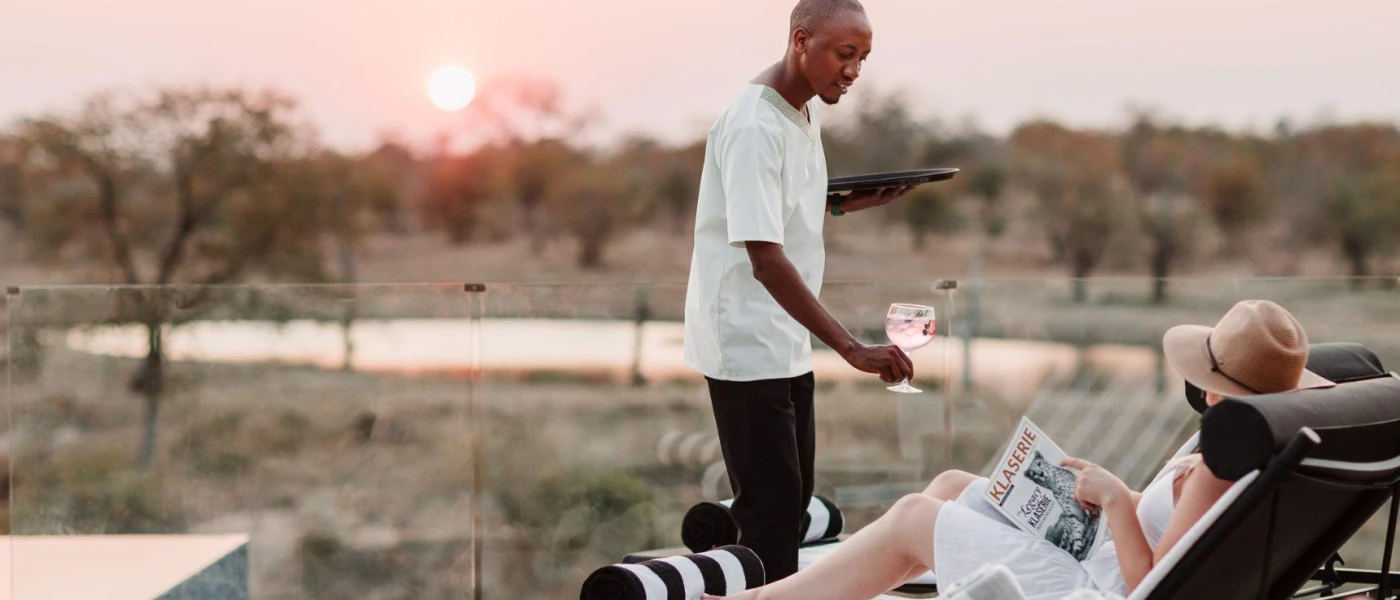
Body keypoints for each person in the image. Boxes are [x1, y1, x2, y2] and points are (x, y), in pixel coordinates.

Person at [704, 299, 1333, 600]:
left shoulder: (1226, 461)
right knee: (952, 484)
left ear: (1218, 384)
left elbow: (1154, 583)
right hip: (1103, 554)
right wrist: (1105, 492)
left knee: (912, 519)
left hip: (1098, 588)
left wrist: (1115, 498)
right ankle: (842, 586)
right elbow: (1180, 531)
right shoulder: (1253, 439)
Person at [682, 0, 920, 584]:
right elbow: (765, 259)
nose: (854, 71)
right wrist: (853, 349)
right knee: (770, 514)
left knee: (790, 501)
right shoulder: (754, 124)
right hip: (744, 339)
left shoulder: (799, 110)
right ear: (801, 41)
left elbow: (780, 207)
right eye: (845, 54)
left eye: (862, 58)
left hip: (783, 336)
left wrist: (839, 201)